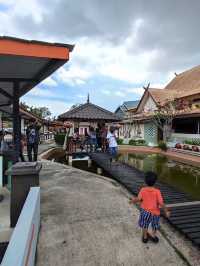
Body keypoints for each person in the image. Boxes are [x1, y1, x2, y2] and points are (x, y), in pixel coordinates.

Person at [129, 171, 170, 243]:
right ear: (155, 182)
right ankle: (153, 235)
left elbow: (138, 199)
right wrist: (166, 211)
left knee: (145, 224)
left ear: (145, 181)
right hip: (155, 213)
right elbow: (161, 203)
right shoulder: (157, 191)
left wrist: (132, 201)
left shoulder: (143, 190)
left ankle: (145, 237)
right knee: (155, 225)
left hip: (145, 212)